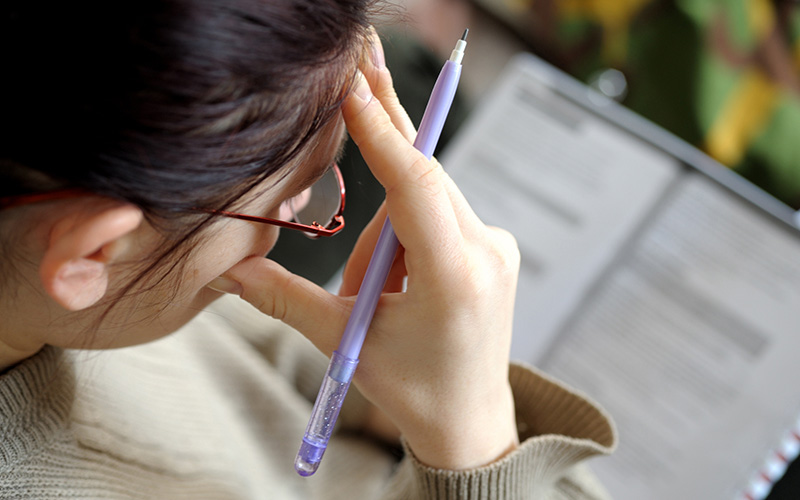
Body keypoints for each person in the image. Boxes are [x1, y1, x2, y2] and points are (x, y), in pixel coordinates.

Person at [0, 1, 616, 498]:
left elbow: (277, 371)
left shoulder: (135, 299)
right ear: (91, 256)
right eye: (290, 197)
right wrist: (473, 438)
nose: (295, 215)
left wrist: (405, 404)